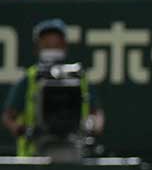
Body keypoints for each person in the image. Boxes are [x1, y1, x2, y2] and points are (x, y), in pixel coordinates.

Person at [2, 18, 104, 157]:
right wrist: (23, 130)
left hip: (75, 152)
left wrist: (92, 127)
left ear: (64, 46)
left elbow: (96, 114)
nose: (52, 47)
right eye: (47, 44)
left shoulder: (79, 77)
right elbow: (8, 116)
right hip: (34, 155)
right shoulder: (30, 78)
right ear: (37, 48)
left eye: (56, 43)